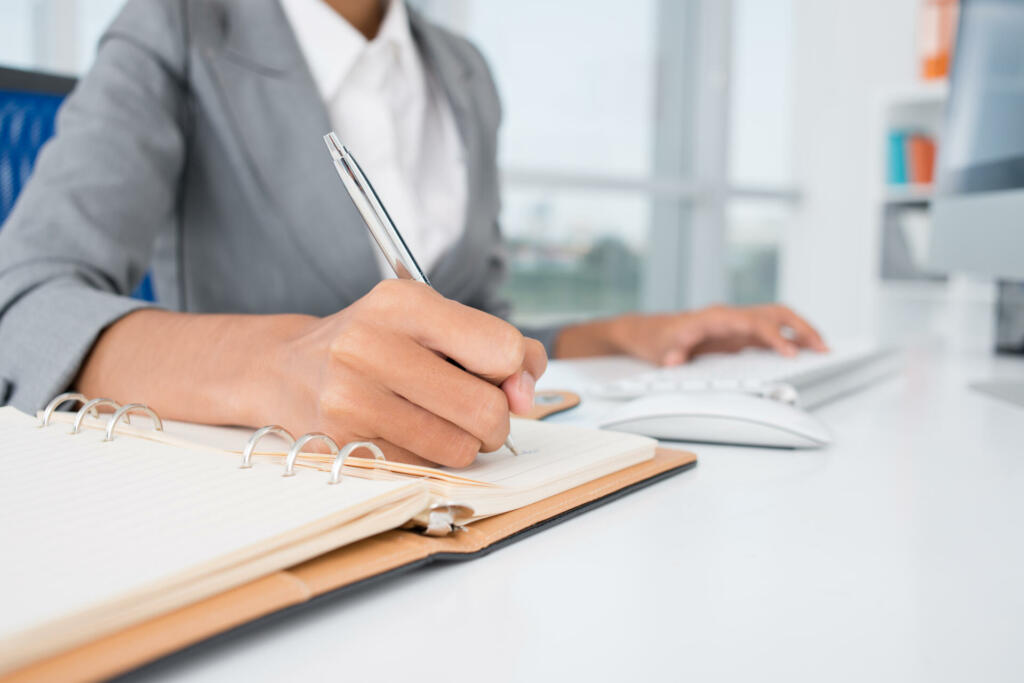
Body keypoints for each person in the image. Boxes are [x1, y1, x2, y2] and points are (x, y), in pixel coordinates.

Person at [0, 0, 825, 467]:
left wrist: (625, 332)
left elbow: (467, 323)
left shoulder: (465, 74)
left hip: (471, 512)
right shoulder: (177, 27)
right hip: (278, 501)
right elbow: (21, 303)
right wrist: (285, 366)